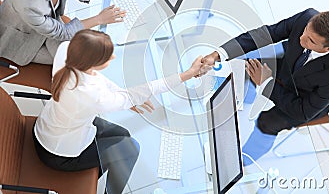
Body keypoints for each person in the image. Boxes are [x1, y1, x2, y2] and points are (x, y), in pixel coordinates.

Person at [33, 29, 206, 194]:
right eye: (108, 57)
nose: (113, 57)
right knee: (131, 148)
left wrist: (128, 98)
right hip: (58, 154)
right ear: (93, 62)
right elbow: (151, 88)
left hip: (48, 129)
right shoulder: (92, 95)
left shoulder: (66, 51)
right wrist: (188, 74)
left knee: (124, 134)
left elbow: (98, 80)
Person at [201, 8, 329, 165]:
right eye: (306, 30)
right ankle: (247, 97)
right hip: (290, 66)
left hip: (303, 98)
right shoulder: (307, 17)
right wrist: (217, 55)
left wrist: (266, 83)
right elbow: (263, 35)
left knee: (268, 122)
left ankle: (243, 161)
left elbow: (302, 112)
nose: (302, 38)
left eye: (311, 41)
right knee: (250, 64)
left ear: (328, 49)